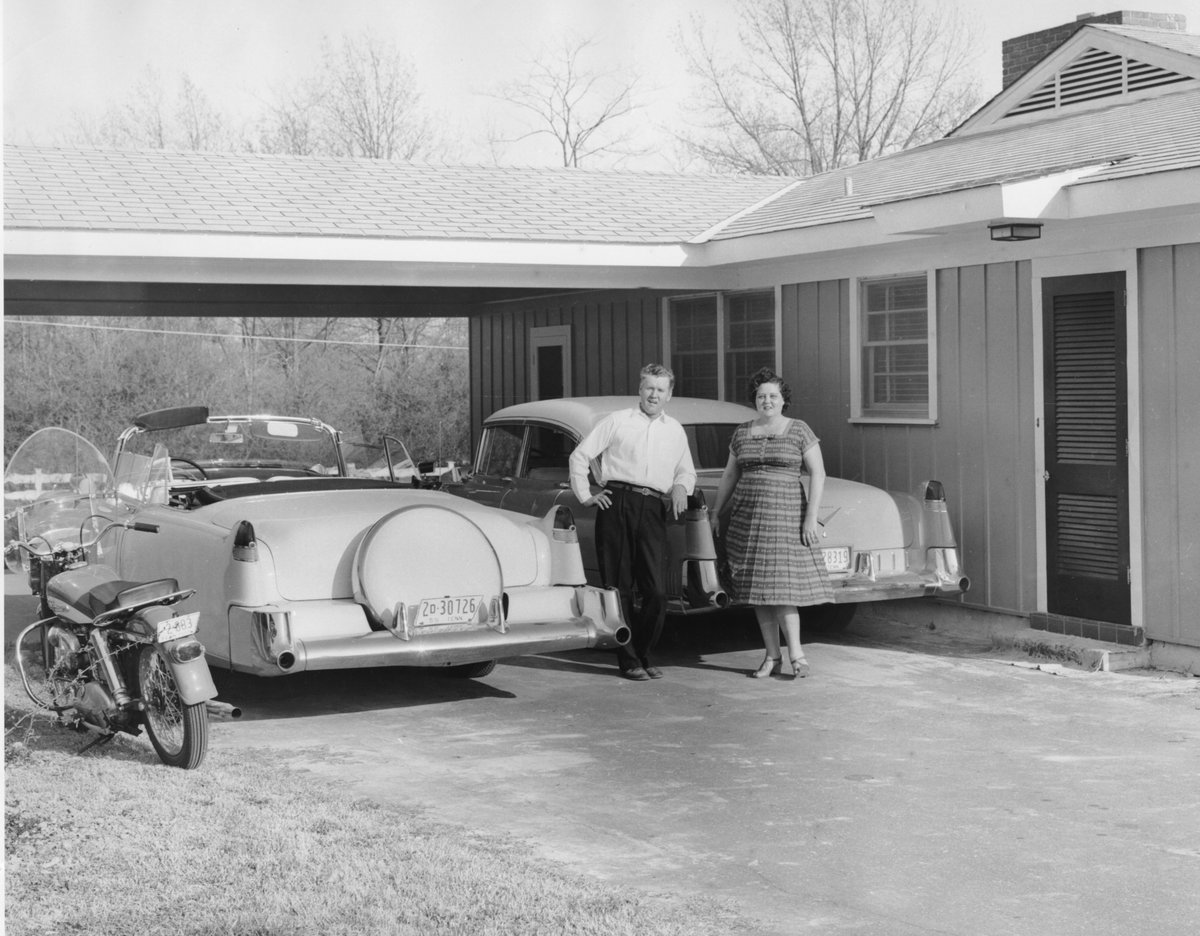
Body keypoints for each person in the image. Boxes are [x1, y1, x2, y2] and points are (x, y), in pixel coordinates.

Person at [569, 364, 696, 681]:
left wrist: (681, 486)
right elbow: (579, 456)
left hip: (653, 506)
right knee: (619, 586)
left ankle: (643, 652)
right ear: (640, 389)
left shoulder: (675, 430)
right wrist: (586, 495)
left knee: (656, 590)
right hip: (617, 503)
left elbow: (686, 470)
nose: (654, 394)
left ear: (669, 395)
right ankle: (628, 661)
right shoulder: (617, 421)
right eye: (649, 387)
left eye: (660, 389)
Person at [710, 367, 834, 680]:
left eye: (773, 396)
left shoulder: (799, 429)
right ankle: (771, 657)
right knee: (757, 590)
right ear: (755, 399)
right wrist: (715, 511)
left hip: (786, 517)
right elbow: (729, 475)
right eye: (761, 395)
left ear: (783, 400)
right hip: (747, 518)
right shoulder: (741, 432)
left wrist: (809, 517)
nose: (767, 401)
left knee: (783, 589)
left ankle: (798, 656)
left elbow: (818, 474)